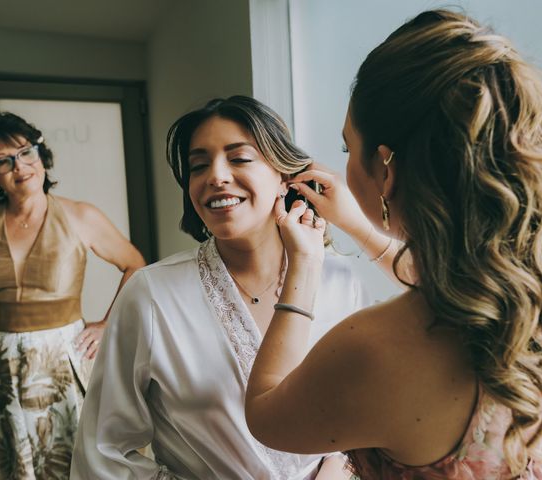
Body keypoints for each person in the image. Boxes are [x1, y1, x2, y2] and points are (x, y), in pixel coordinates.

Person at [245, 9, 542, 479]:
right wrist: (358, 223)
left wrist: (305, 265)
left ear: (385, 166)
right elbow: (449, 281)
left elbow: (265, 413)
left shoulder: (373, 350)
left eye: (348, 148)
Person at [70, 96, 378, 480]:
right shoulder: (152, 294)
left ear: (286, 176)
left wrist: (337, 469)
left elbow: (368, 411)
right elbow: (103, 451)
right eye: (198, 165)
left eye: (239, 158)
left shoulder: (340, 282)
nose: (216, 176)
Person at [0, 111, 146, 479]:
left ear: (41, 155)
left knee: (68, 464)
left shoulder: (80, 216)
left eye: (26, 152)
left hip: (58, 365)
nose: (19, 166)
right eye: (1, 161)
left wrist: (107, 324)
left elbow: (136, 265)